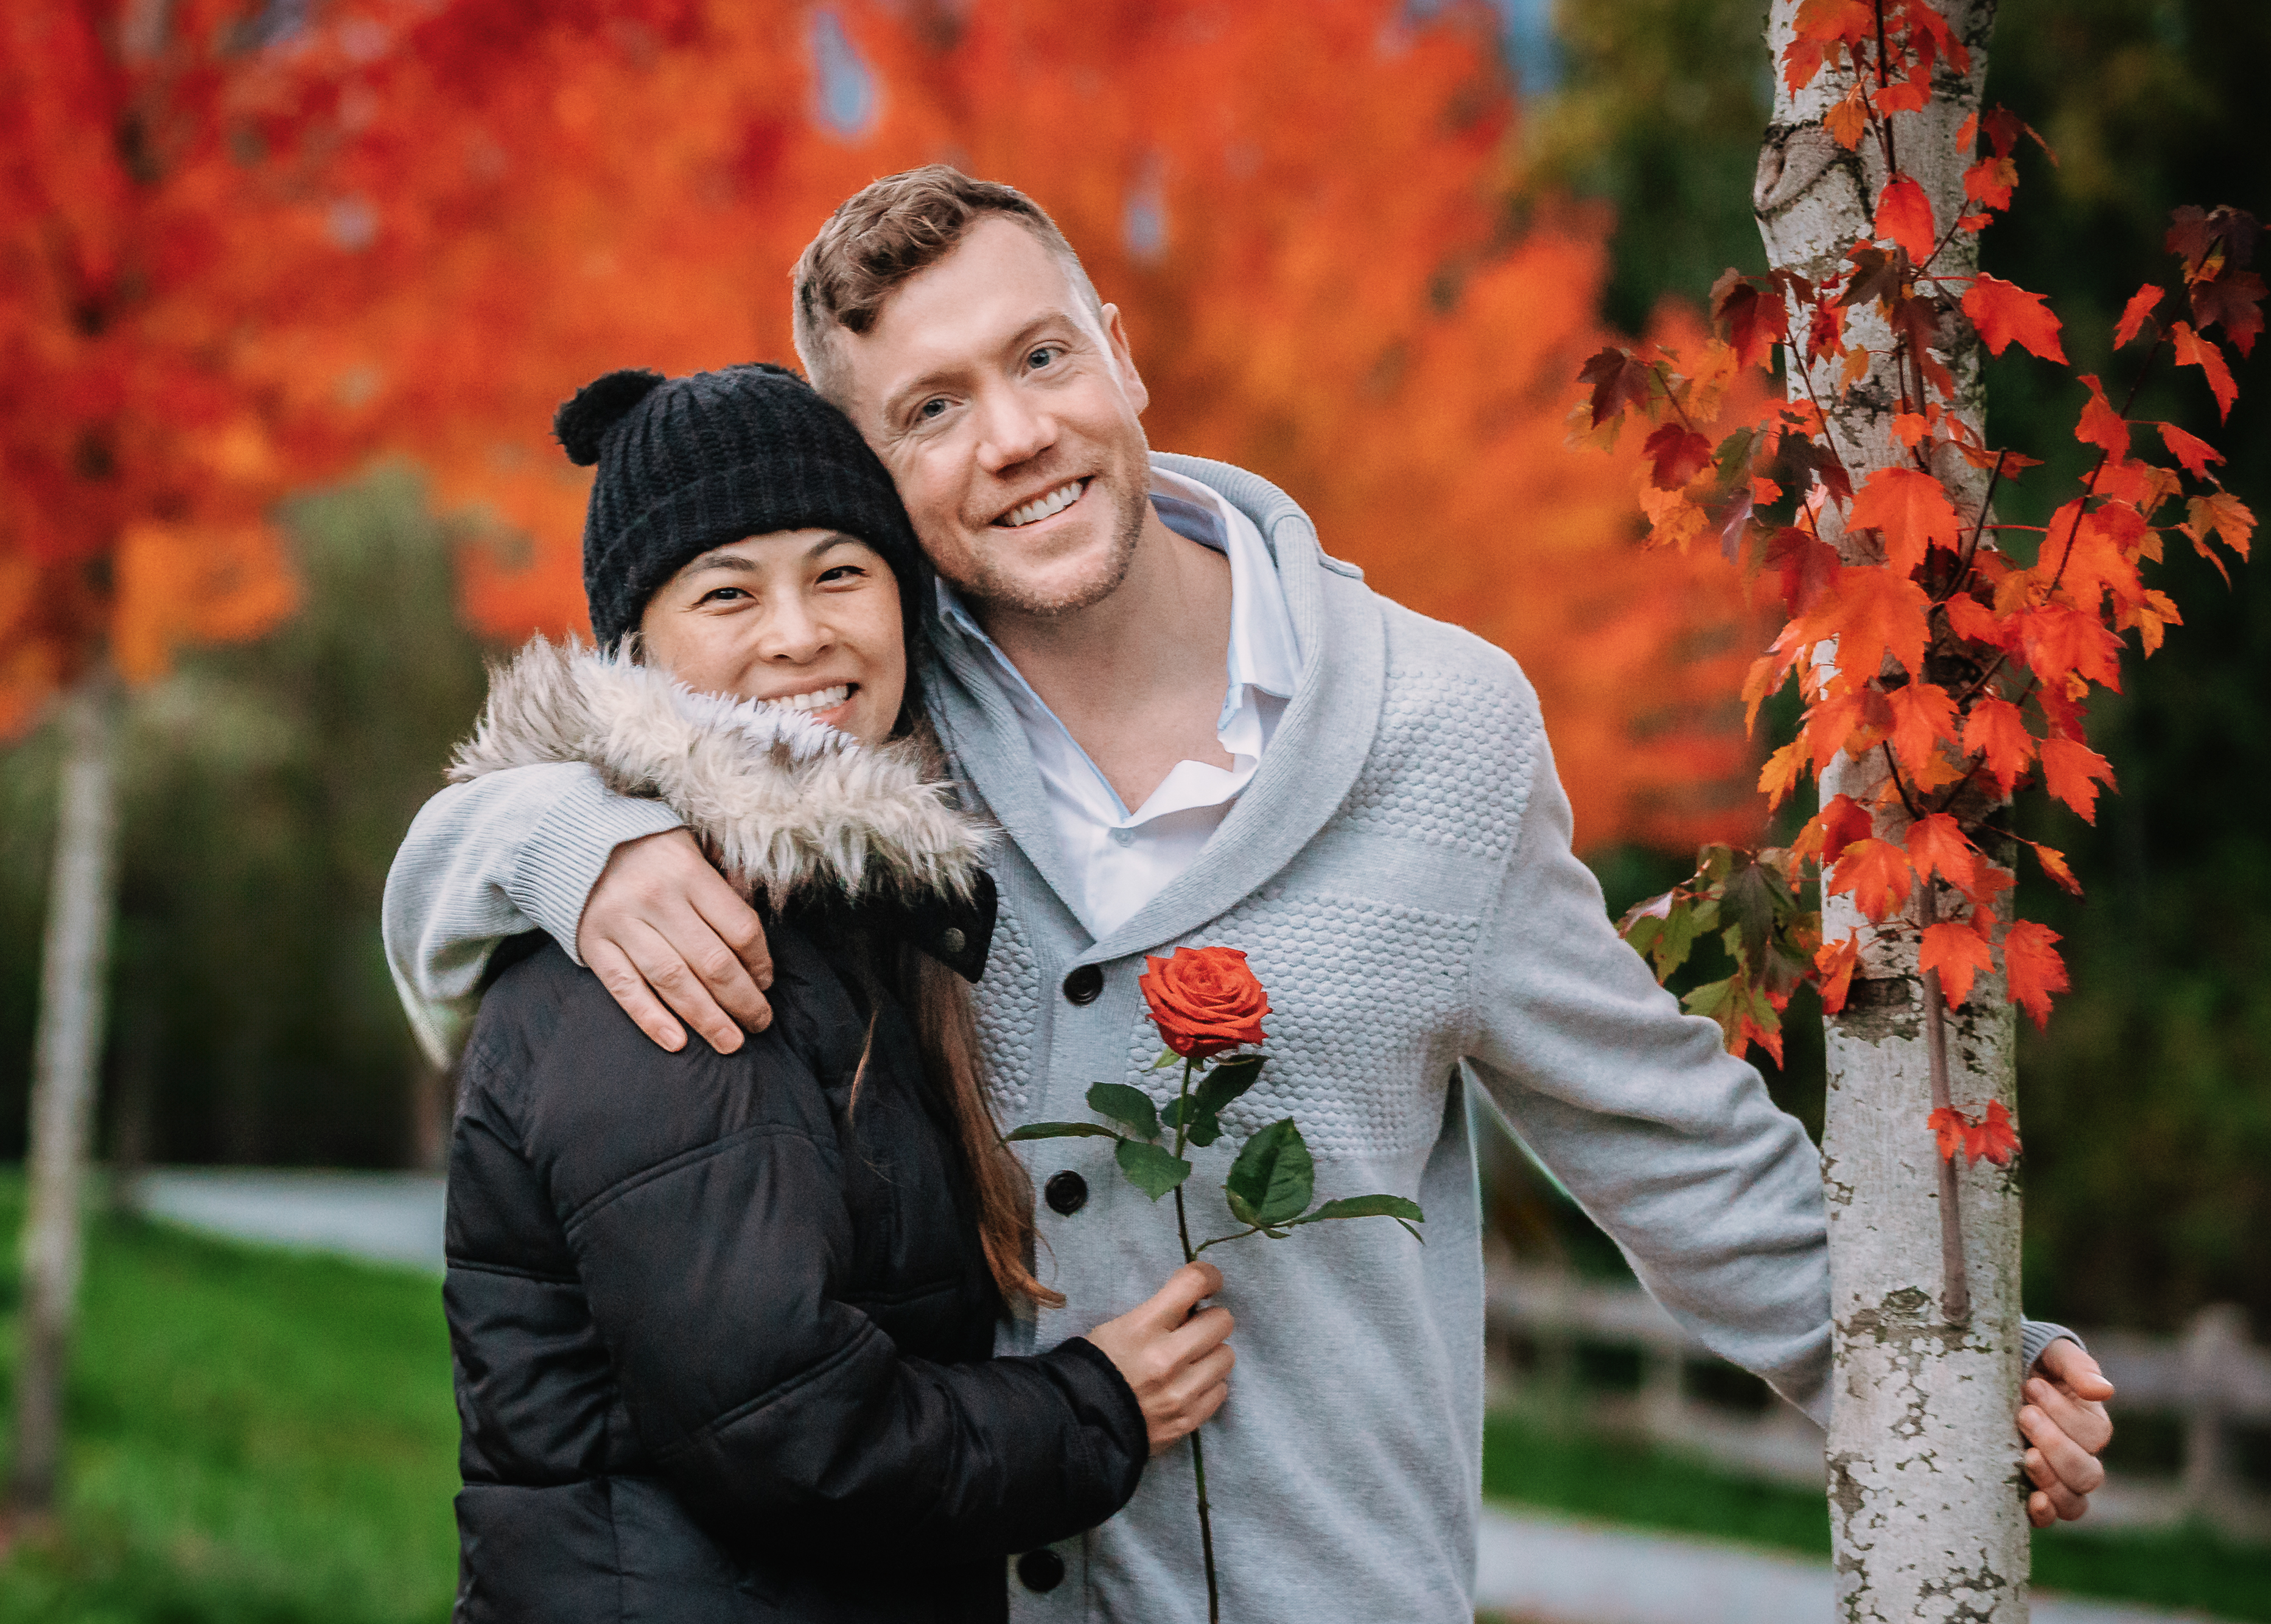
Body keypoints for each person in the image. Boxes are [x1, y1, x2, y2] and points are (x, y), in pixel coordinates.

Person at [388, 171, 2116, 1622]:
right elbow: (515, 827)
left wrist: (1957, 1365)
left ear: (1121, 361)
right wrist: (569, 840)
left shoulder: (1439, 727)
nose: (1013, 437)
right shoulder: (868, 744)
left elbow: (1661, 1126)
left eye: (1042, 356)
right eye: (929, 410)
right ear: (876, 484)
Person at [438, 361, 1237, 1623]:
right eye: (726, 592)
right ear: (636, 644)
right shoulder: (668, 942)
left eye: (839, 572)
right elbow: (792, 1433)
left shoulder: (847, 910)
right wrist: (1096, 1407)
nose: (798, 632)